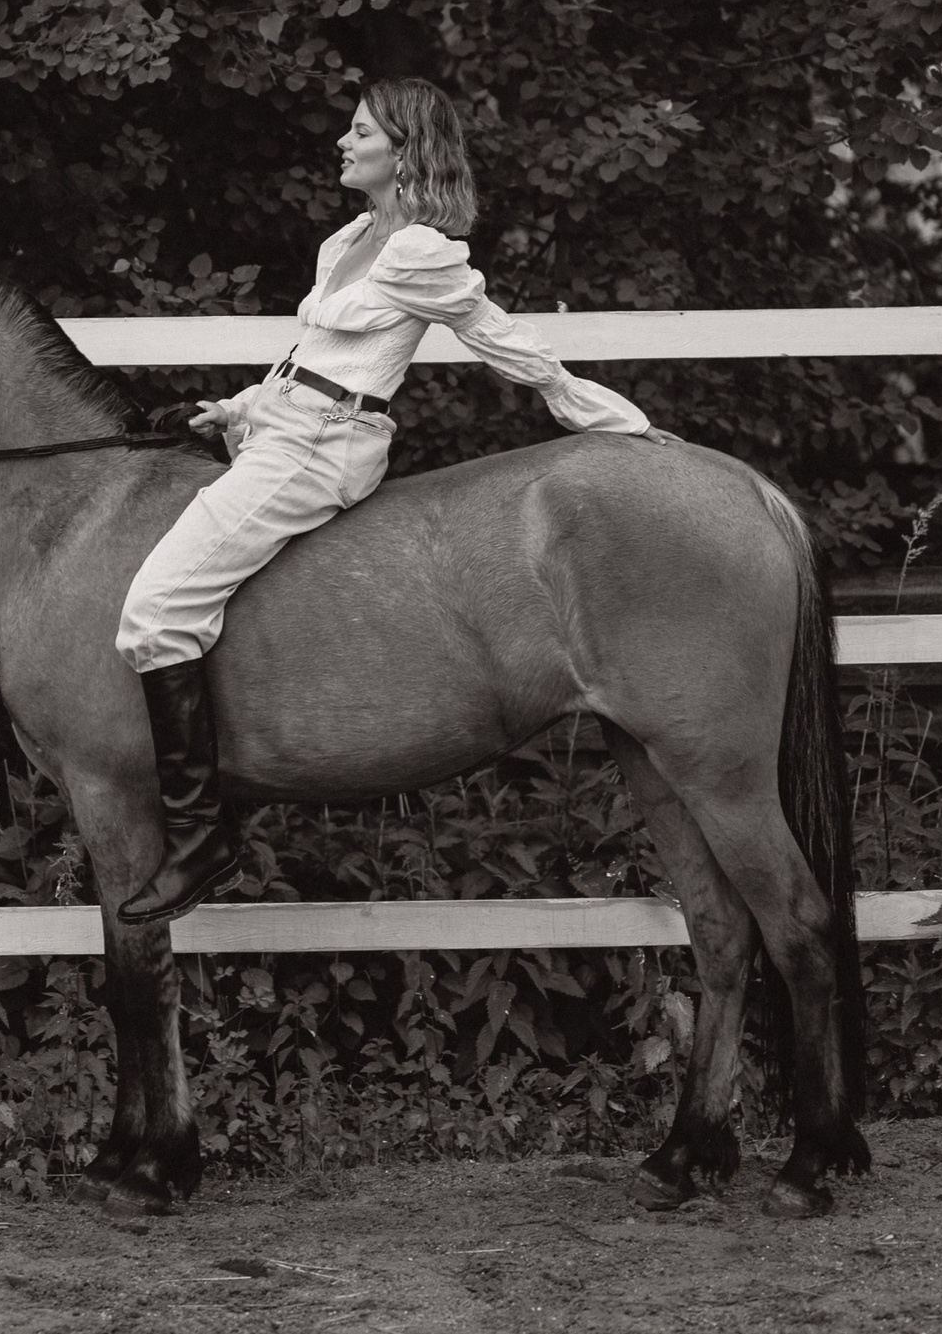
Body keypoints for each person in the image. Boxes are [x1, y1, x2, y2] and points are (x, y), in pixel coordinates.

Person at [113, 76, 681, 925]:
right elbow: (309, 357)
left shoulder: (420, 251)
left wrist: (608, 418)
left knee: (155, 614)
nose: (343, 142)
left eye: (360, 132)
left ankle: (200, 835)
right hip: (285, 426)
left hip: (322, 448)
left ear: (404, 152)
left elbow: (500, 338)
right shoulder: (349, 236)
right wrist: (235, 407)